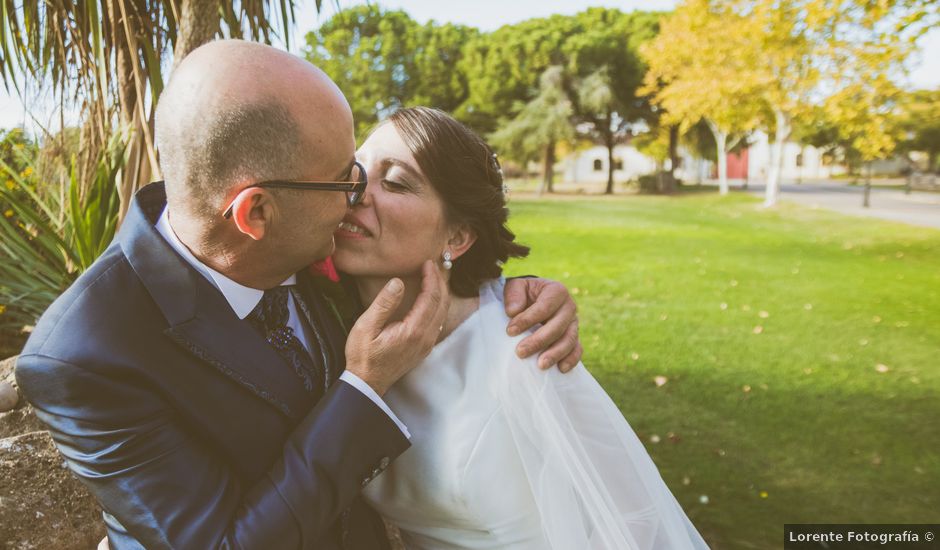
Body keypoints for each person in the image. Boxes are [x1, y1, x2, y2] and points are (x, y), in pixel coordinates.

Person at [14, 41, 582, 550]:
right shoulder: (87, 355)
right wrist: (364, 385)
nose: (356, 200)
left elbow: (420, 266)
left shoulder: (311, 246)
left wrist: (509, 293)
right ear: (256, 212)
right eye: (346, 179)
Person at [335, 107, 710, 549]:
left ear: (456, 238)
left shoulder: (526, 353)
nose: (356, 192)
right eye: (355, 170)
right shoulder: (327, 318)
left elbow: (633, 523)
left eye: (395, 182)